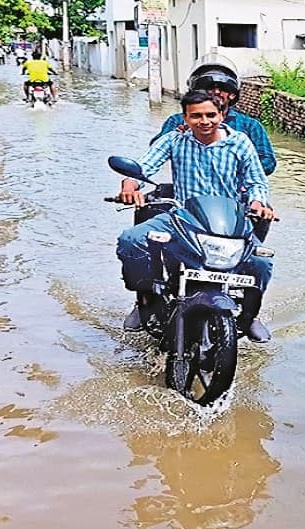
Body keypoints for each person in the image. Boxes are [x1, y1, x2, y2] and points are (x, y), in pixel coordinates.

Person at [117, 90, 277, 342]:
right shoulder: (174, 140)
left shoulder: (241, 143)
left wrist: (258, 203)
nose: (205, 121)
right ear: (186, 117)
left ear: (222, 114)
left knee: (261, 263)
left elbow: (257, 181)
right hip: (181, 217)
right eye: (197, 116)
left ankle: (250, 315)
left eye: (211, 115)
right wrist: (129, 186)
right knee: (130, 240)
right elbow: (144, 166)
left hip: (230, 221)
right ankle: (145, 299)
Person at [157, 64, 276, 177]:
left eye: (223, 88)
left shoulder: (250, 126)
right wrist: (177, 136)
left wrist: (237, 173)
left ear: (232, 95)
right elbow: (156, 151)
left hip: (236, 192)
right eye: (210, 88)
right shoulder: (177, 121)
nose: (216, 92)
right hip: (190, 189)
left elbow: (268, 161)